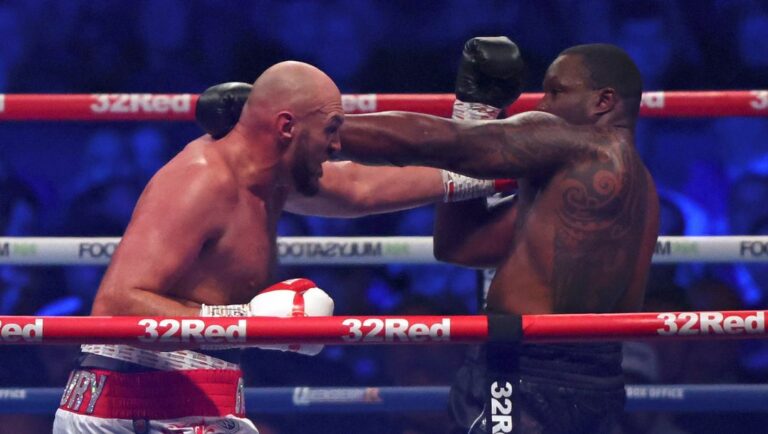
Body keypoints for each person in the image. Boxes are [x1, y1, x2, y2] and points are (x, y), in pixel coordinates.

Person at [338, 41, 660, 433]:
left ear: (603, 101)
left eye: (557, 92)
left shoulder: (585, 148)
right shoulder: (638, 188)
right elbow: (463, 246)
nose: (543, 105)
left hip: (524, 370)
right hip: (596, 382)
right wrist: (474, 115)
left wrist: (320, 129)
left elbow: (445, 143)